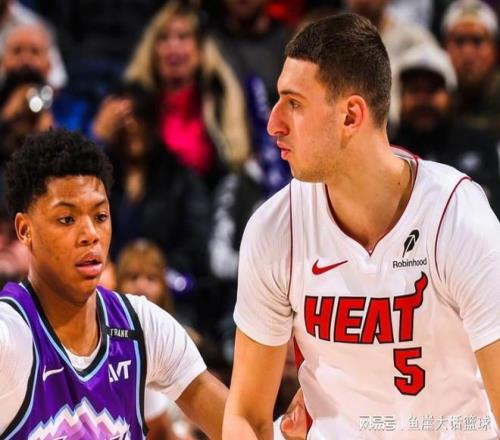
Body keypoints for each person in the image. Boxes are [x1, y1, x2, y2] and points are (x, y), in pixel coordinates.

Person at [224, 13, 500, 439]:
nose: (273, 122)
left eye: (294, 103)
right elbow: (244, 416)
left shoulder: (456, 217)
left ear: (351, 116)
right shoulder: (276, 227)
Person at [0, 129, 226, 439]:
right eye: (67, 219)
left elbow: (239, 427)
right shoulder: (10, 338)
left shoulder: (142, 327)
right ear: (25, 230)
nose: (90, 234)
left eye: (100, 216)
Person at [391, 43, 500, 216]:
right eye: (414, 89)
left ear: (451, 95)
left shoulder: (481, 143)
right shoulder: (389, 152)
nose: (422, 99)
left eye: (432, 89)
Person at [442, 0, 500, 137]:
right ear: (444, 48)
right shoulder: (434, 97)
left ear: (495, 50)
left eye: (477, 40)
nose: (468, 53)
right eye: (459, 41)